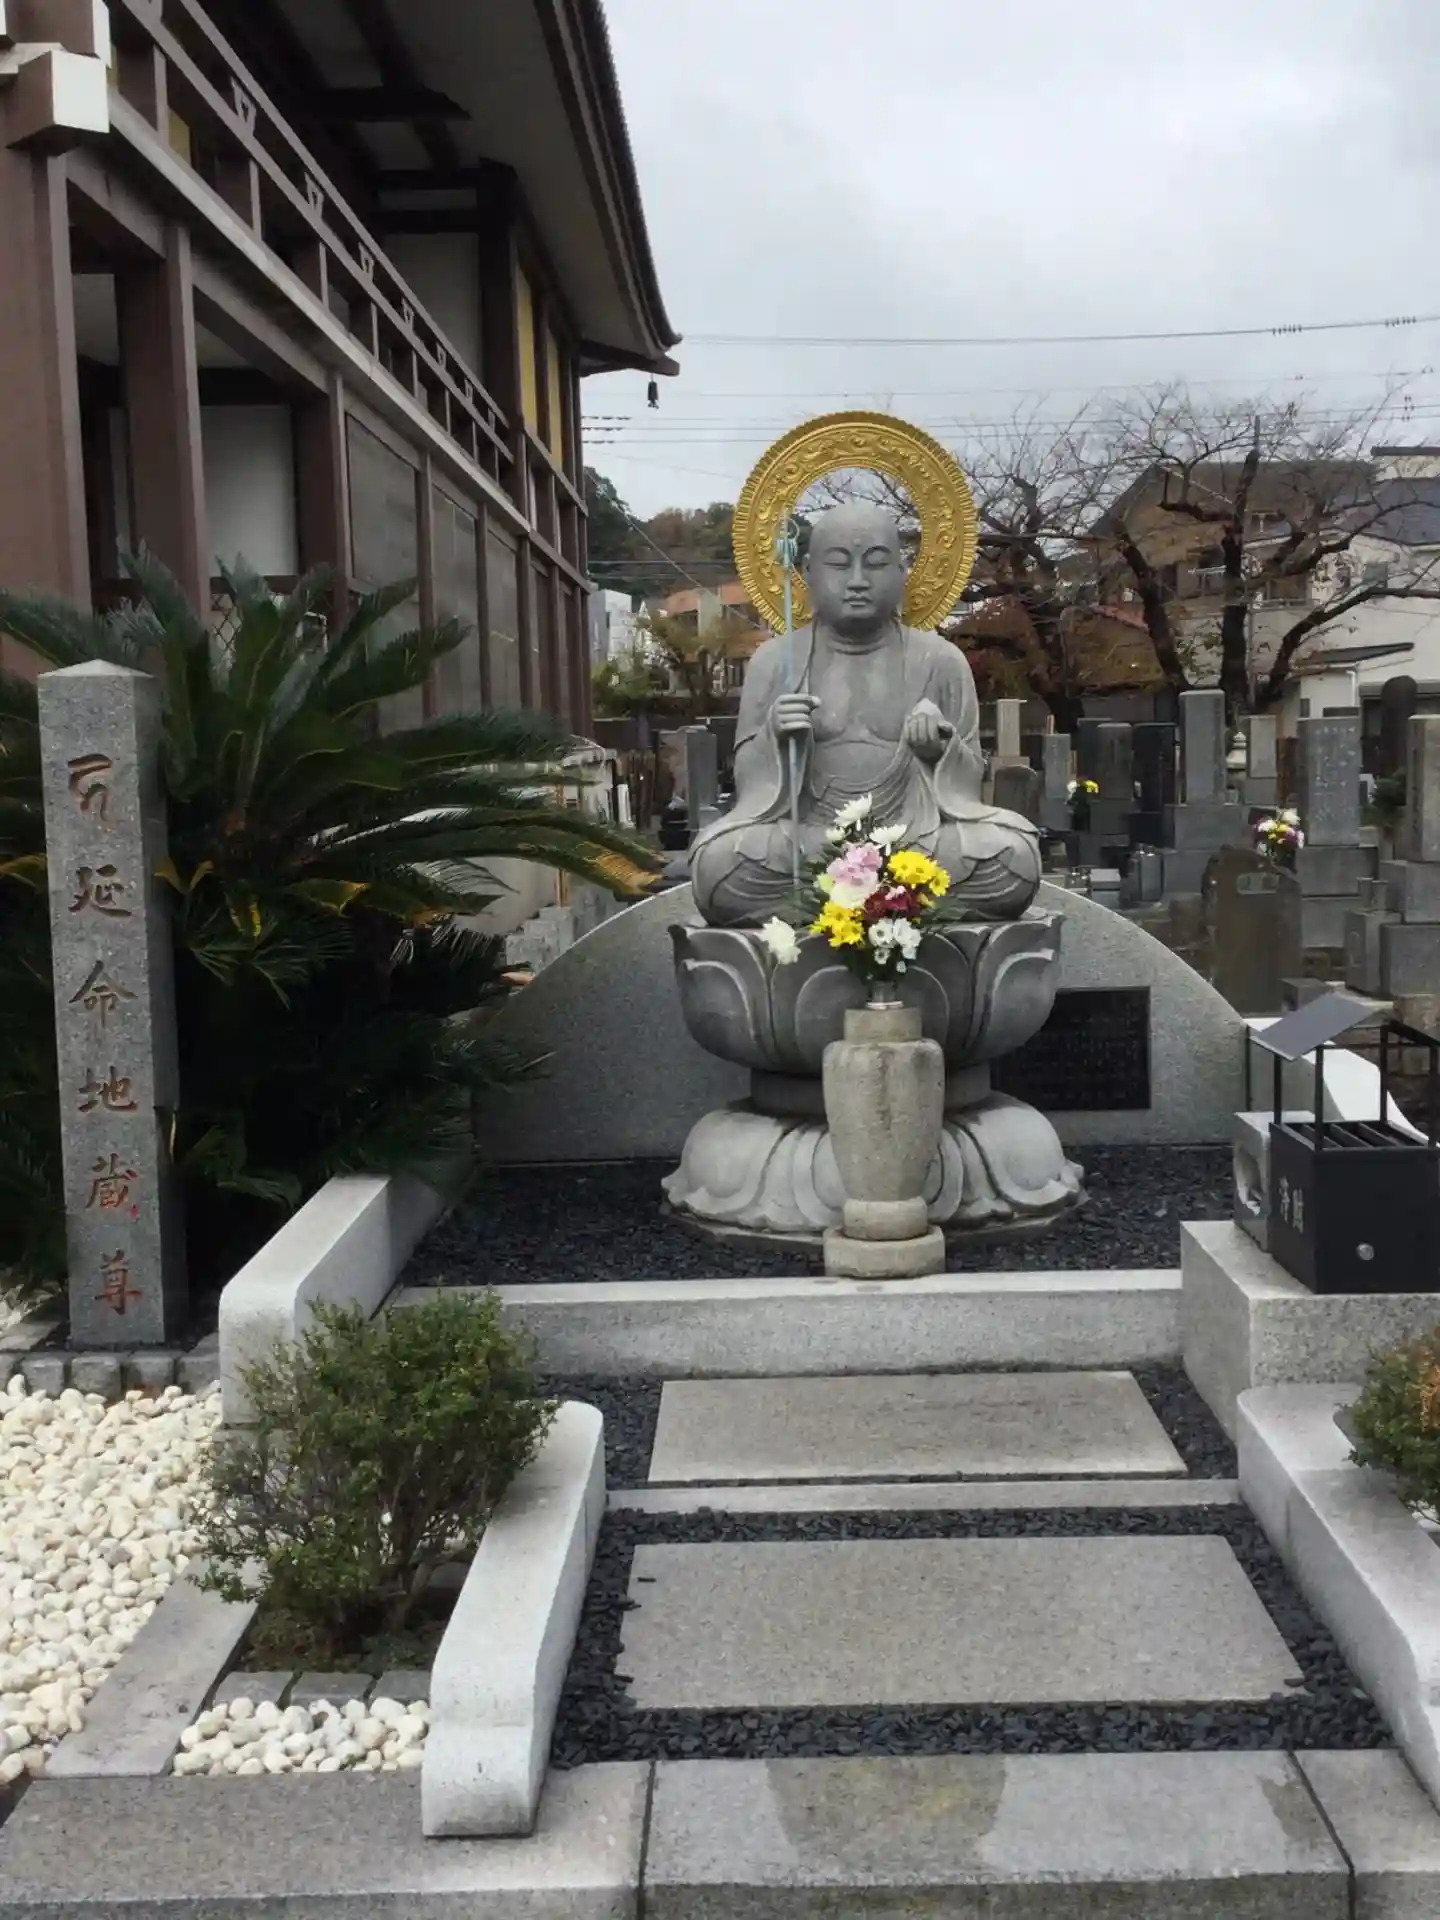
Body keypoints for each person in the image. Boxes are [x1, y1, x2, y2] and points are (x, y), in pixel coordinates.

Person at [690, 501, 1042, 927]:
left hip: (915, 840)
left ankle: (834, 907)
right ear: (808, 572)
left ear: (902, 571)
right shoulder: (775, 661)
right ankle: (897, 906)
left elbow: (969, 782)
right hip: (810, 840)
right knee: (717, 864)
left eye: (875, 564)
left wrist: (939, 749)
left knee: (1014, 857)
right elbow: (748, 782)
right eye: (839, 565)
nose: (857, 581)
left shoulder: (941, 660)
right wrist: (774, 739)